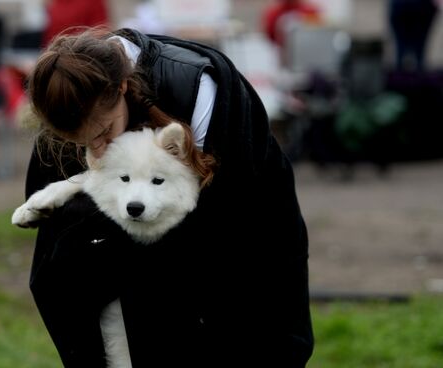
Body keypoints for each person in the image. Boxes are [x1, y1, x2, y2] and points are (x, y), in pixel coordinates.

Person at [24, 26, 314, 367]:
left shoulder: (201, 87)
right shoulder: (66, 98)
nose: (96, 150)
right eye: (80, 143)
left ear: (122, 87)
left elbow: (216, 221)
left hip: (236, 241)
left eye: (104, 133)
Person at [388, 0, 440, 71]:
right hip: (422, 6)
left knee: (401, 47)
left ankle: (400, 74)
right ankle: (417, 72)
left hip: (401, 5)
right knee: (419, 48)